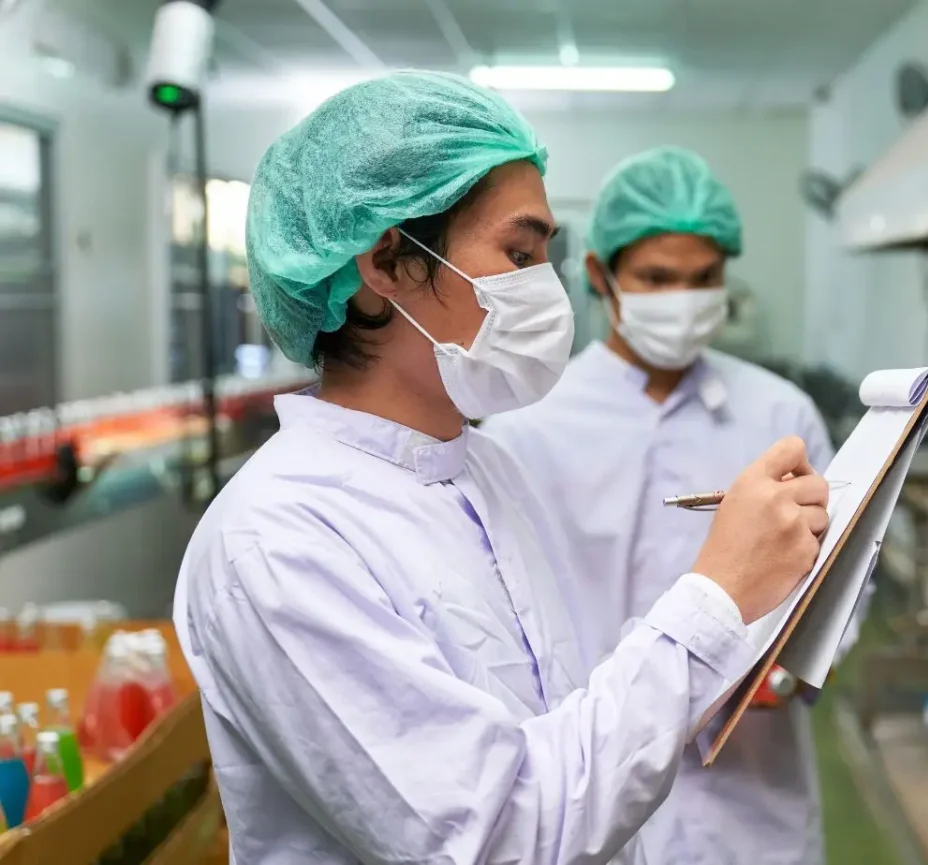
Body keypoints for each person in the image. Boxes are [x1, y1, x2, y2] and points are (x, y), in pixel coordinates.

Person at [171, 72, 830, 865]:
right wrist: (720, 595)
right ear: (388, 262)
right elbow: (496, 835)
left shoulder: (479, 472)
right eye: (517, 253)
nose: (544, 290)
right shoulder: (277, 543)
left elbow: (565, 736)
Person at [481, 147, 861, 865]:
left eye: (704, 279)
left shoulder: (780, 414)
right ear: (600, 276)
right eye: (656, 279)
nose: (682, 300)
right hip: (589, 786)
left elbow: (846, 577)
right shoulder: (526, 426)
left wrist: (794, 665)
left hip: (752, 796)